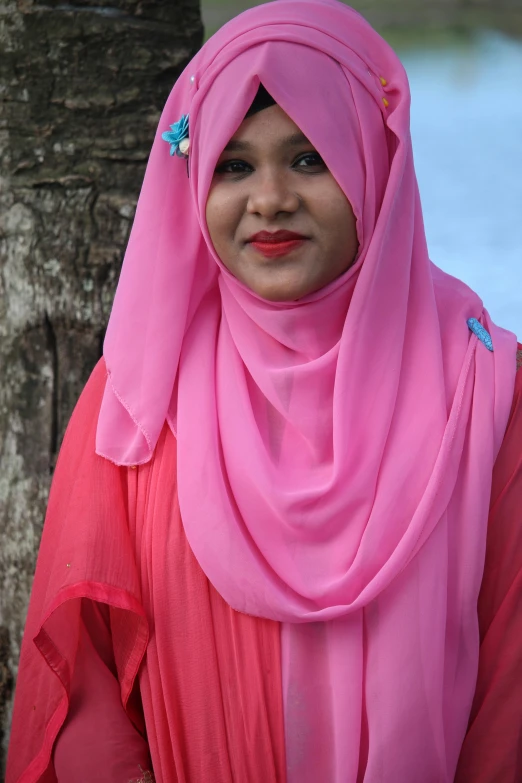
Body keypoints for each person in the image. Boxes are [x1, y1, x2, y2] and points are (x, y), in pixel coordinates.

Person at [6, 0, 522, 781]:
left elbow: (511, 690)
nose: (270, 198)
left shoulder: (485, 391)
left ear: (374, 165)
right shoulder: (143, 397)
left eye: (310, 157)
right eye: (234, 165)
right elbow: (90, 693)